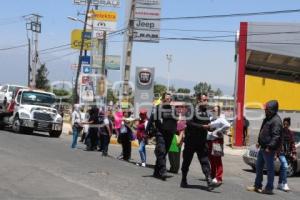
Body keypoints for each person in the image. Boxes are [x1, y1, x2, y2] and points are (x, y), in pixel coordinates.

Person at [180, 93, 216, 190]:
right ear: (199, 101)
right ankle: (183, 179)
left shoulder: (205, 112)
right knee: (187, 161)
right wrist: (202, 127)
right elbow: (189, 123)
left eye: (207, 100)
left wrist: (212, 128)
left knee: (205, 161)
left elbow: (208, 124)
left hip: (201, 141)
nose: (206, 102)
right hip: (190, 141)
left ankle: (209, 181)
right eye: (204, 100)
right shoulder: (192, 109)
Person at [247, 100, 282, 195]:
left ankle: (269, 188)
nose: (265, 110)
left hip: (268, 149)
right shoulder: (267, 118)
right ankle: (257, 185)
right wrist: (259, 141)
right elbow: (262, 130)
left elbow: (276, 136)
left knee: (270, 170)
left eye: (267, 109)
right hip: (262, 147)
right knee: (258, 167)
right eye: (265, 108)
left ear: (272, 110)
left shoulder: (276, 121)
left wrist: (270, 147)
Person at [147, 92, 177, 180]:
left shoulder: (173, 109)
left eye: (170, 98)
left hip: (170, 135)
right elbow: (152, 119)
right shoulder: (159, 108)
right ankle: (163, 171)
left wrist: (174, 131)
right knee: (162, 152)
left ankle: (156, 172)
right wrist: (147, 131)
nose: (169, 99)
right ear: (163, 99)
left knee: (163, 153)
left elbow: (175, 121)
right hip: (161, 134)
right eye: (167, 98)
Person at [203, 105, 230, 186]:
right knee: (211, 159)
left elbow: (228, 125)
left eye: (215, 110)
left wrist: (220, 130)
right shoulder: (211, 119)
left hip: (217, 140)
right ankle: (212, 175)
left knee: (217, 159)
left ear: (218, 111)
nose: (213, 111)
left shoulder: (221, 119)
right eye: (213, 110)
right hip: (210, 140)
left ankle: (219, 178)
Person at [277, 117, 297, 192]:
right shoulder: (280, 132)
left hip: (287, 153)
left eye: (287, 124)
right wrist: (275, 154)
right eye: (284, 124)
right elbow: (276, 143)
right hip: (280, 152)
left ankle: (279, 184)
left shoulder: (290, 133)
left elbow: (292, 144)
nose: (285, 125)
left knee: (283, 168)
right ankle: (285, 184)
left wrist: (294, 153)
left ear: (289, 125)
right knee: (285, 165)